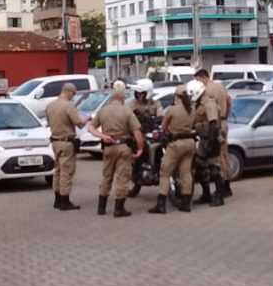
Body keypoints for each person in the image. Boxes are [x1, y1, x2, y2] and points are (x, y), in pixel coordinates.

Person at [88, 89, 144, 217]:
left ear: (112, 98)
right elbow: (137, 132)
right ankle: (119, 209)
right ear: (123, 98)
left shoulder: (103, 111)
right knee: (122, 178)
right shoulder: (127, 111)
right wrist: (140, 149)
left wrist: (103, 136)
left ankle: (101, 207)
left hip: (108, 147)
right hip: (123, 147)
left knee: (107, 177)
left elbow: (90, 128)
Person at [149, 85, 195, 214]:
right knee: (186, 173)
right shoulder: (192, 109)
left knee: (165, 172)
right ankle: (186, 204)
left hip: (176, 144)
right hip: (190, 143)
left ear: (176, 96)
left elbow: (164, 126)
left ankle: (161, 204)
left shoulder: (172, 109)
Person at [45, 82, 86, 211]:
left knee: (57, 170)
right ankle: (65, 200)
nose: (73, 96)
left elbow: (48, 123)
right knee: (66, 171)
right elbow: (79, 124)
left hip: (55, 142)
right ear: (69, 92)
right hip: (67, 142)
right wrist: (88, 119)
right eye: (73, 94)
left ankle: (57, 199)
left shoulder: (50, 105)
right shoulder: (69, 106)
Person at [195, 69, 233, 198]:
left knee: (217, 158)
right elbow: (229, 102)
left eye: (198, 80)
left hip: (214, 124)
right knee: (224, 154)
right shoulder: (220, 86)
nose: (197, 83)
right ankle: (227, 184)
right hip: (223, 121)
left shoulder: (207, 90)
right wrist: (225, 116)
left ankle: (221, 187)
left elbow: (209, 110)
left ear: (203, 77)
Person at [187, 79, 224, 207]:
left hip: (212, 139)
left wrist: (211, 143)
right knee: (199, 166)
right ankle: (206, 194)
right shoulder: (198, 104)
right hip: (203, 140)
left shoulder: (209, 103)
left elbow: (213, 125)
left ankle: (219, 196)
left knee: (214, 169)